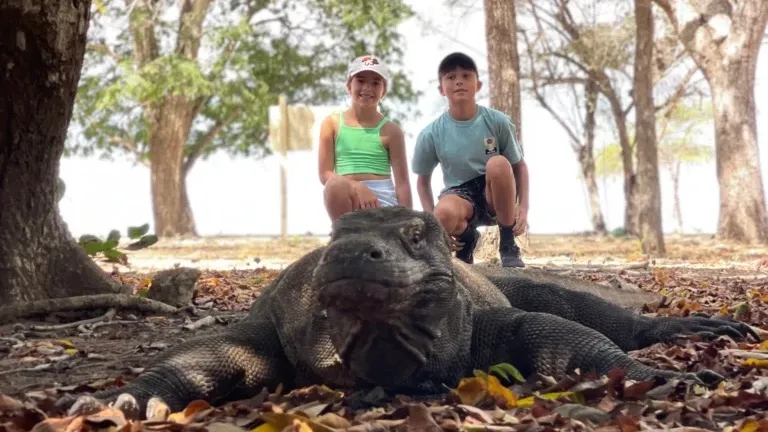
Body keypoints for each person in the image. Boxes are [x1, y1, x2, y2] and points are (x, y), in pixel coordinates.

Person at [411, 52, 528, 268]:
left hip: (493, 192)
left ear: (478, 84)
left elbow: (519, 165)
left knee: (498, 163)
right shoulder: (431, 133)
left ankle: (508, 245)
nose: (459, 82)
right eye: (450, 77)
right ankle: (467, 240)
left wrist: (523, 207)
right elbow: (422, 181)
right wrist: (433, 225)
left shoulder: (497, 121)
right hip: (460, 195)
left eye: (466, 76)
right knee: (442, 214)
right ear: (441, 89)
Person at [318, 55, 412, 221]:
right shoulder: (331, 124)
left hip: (382, 204)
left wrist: (409, 221)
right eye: (360, 81)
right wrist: (355, 186)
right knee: (334, 186)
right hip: (348, 200)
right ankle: (345, 236)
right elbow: (325, 173)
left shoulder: (392, 130)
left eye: (376, 83)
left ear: (384, 90)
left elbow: (402, 184)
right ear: (349, 86)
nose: (367, 88)